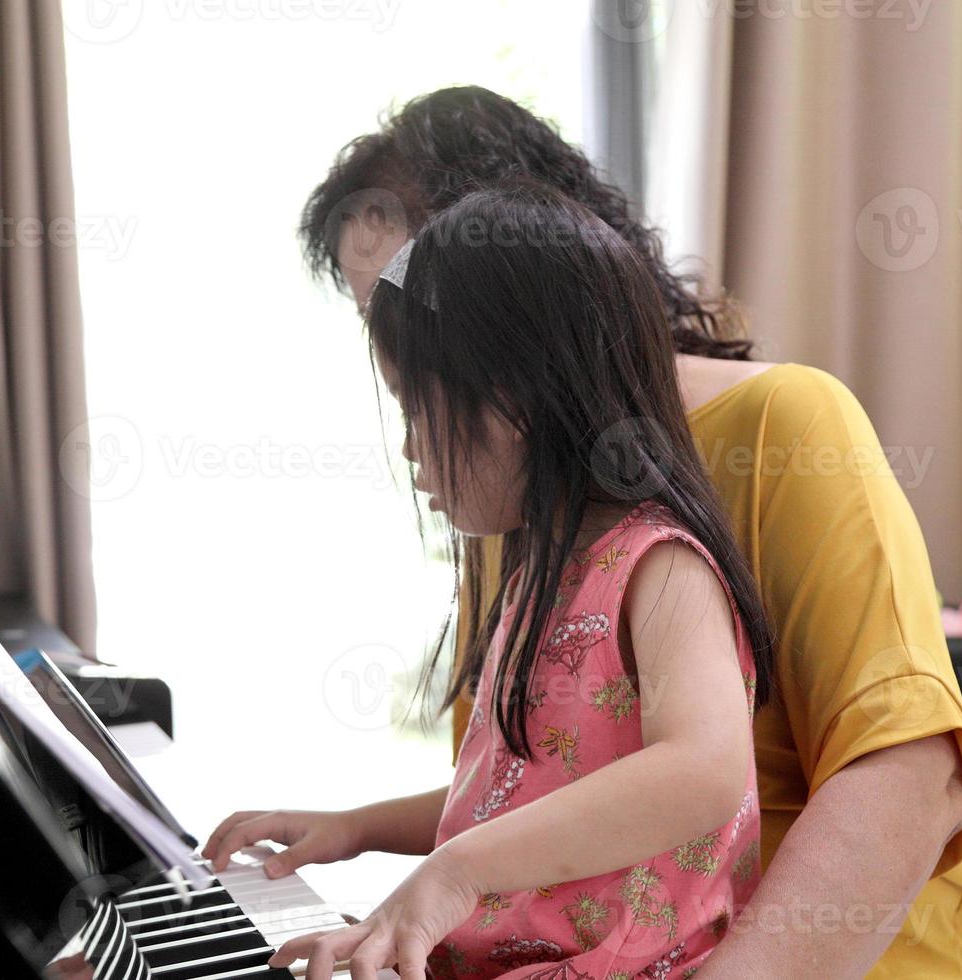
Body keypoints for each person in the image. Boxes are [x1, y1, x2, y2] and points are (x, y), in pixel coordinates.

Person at [206, 87, 962, 978]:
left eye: (432, 342)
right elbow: (529, 782)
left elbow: (909, 776)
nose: (412, 421)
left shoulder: (778, 434)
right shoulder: (531, 509)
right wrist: (359, 838)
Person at [271, 183, 773, 979]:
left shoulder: (662, 565)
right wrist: (357, 827)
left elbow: (706, 769)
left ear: (514, 403)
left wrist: (454, 873)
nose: (409, 449)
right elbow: (516, 792)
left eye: (416, 410)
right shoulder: (539, 564)